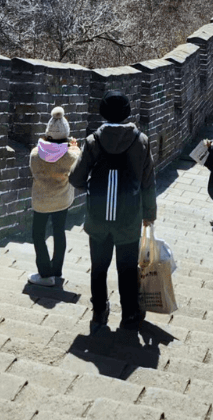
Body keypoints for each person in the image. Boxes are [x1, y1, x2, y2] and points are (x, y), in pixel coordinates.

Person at [69, 90, 156, 328]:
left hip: (98, 218)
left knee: (99, 267)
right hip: (129, 219)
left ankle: (99, 311)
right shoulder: (141, 141)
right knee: (127, 269)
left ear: (103, 113)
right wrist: (149, 215)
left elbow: (75, 179)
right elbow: (148, 182)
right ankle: (128, 313)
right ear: (128, 113)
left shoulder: (92, 141)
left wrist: (92, 187)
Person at [28, 107, 80, 287]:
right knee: (59, 232)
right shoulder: (70, 156)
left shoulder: (35, 154)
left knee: (38, 234)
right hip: (62, 200)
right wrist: (74, 147)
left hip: (41, 202)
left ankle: (44, 273)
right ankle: (56, 271)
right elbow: (78, 164)